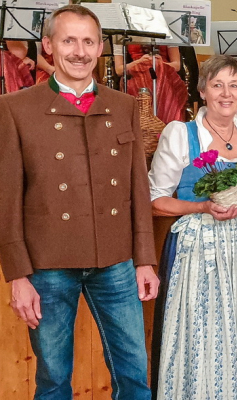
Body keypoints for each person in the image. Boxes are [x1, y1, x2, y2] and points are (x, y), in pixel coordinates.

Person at [0, 5, 159, 399]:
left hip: (116, 260)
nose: (79, 51)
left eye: (89, 42)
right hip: (48, 264)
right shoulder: (15, 108)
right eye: (68, 40)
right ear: (48, 45)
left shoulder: (124, 106)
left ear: (100, 47)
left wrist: (145, 259)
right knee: (53, 381)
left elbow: (138, 189)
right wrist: (17, 275)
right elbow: (7, 198)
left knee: (135, 375)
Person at [149, 54, 237, 400]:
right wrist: (201, 207)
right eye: (217, 85)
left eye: (234, 86)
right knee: (202, 332)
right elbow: (155, 200)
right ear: (202, 91)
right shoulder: (181, 134)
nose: (226, 94)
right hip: (199, 249)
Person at [114, 42, 188, 124]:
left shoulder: (170, 34)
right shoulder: (121, 36)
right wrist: (139, 62)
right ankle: (145, 123)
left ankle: (162, 122)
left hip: (164, 73)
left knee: (161, 79)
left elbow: (177, 65)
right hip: (137, 73)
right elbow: (119, 70)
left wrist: (161, 63)